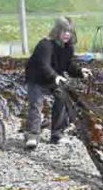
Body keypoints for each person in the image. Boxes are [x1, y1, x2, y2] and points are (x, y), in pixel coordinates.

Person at [24, 17, 92, 149]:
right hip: (36, 78)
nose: (67, 34)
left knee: (62, 99)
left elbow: (68, 65)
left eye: (70, 31)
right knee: (36, 105)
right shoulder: (45, 44)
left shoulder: (68, 48)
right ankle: (32, 135)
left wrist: (79, 71)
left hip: (53, 78)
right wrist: (55, 76)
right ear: (57, 31)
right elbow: (43, 65)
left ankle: (57, 134)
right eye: (64, 31)